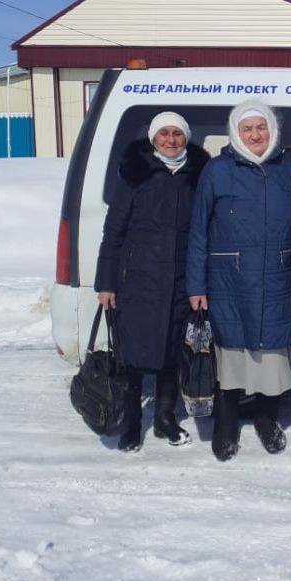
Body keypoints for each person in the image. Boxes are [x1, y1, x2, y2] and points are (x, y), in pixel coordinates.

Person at [187, 101, 291, 461]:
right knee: (231, 356)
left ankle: (266, 419)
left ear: (272, 130)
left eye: (262, 127)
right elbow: (198, 232)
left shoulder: (289, 168)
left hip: (277, 276)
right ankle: (225, 424)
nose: (255, 135)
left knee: (271, 356)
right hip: (228, 280)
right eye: (247, 129)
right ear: (235, 133)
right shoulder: (217, 170)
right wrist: (197, 285)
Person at [95, 112, 209, 452]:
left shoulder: (198, 176)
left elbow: (205, 232)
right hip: (137, 282)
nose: (171, 140)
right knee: (133, 357)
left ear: (186, 138)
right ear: (153, 138)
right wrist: (106, 282)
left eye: (177, 134)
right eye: (164, 134)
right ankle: (132, 424)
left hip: (180, 281)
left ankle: (163, 420)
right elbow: (113, 232)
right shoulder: (135, 174)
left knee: (172, 355)